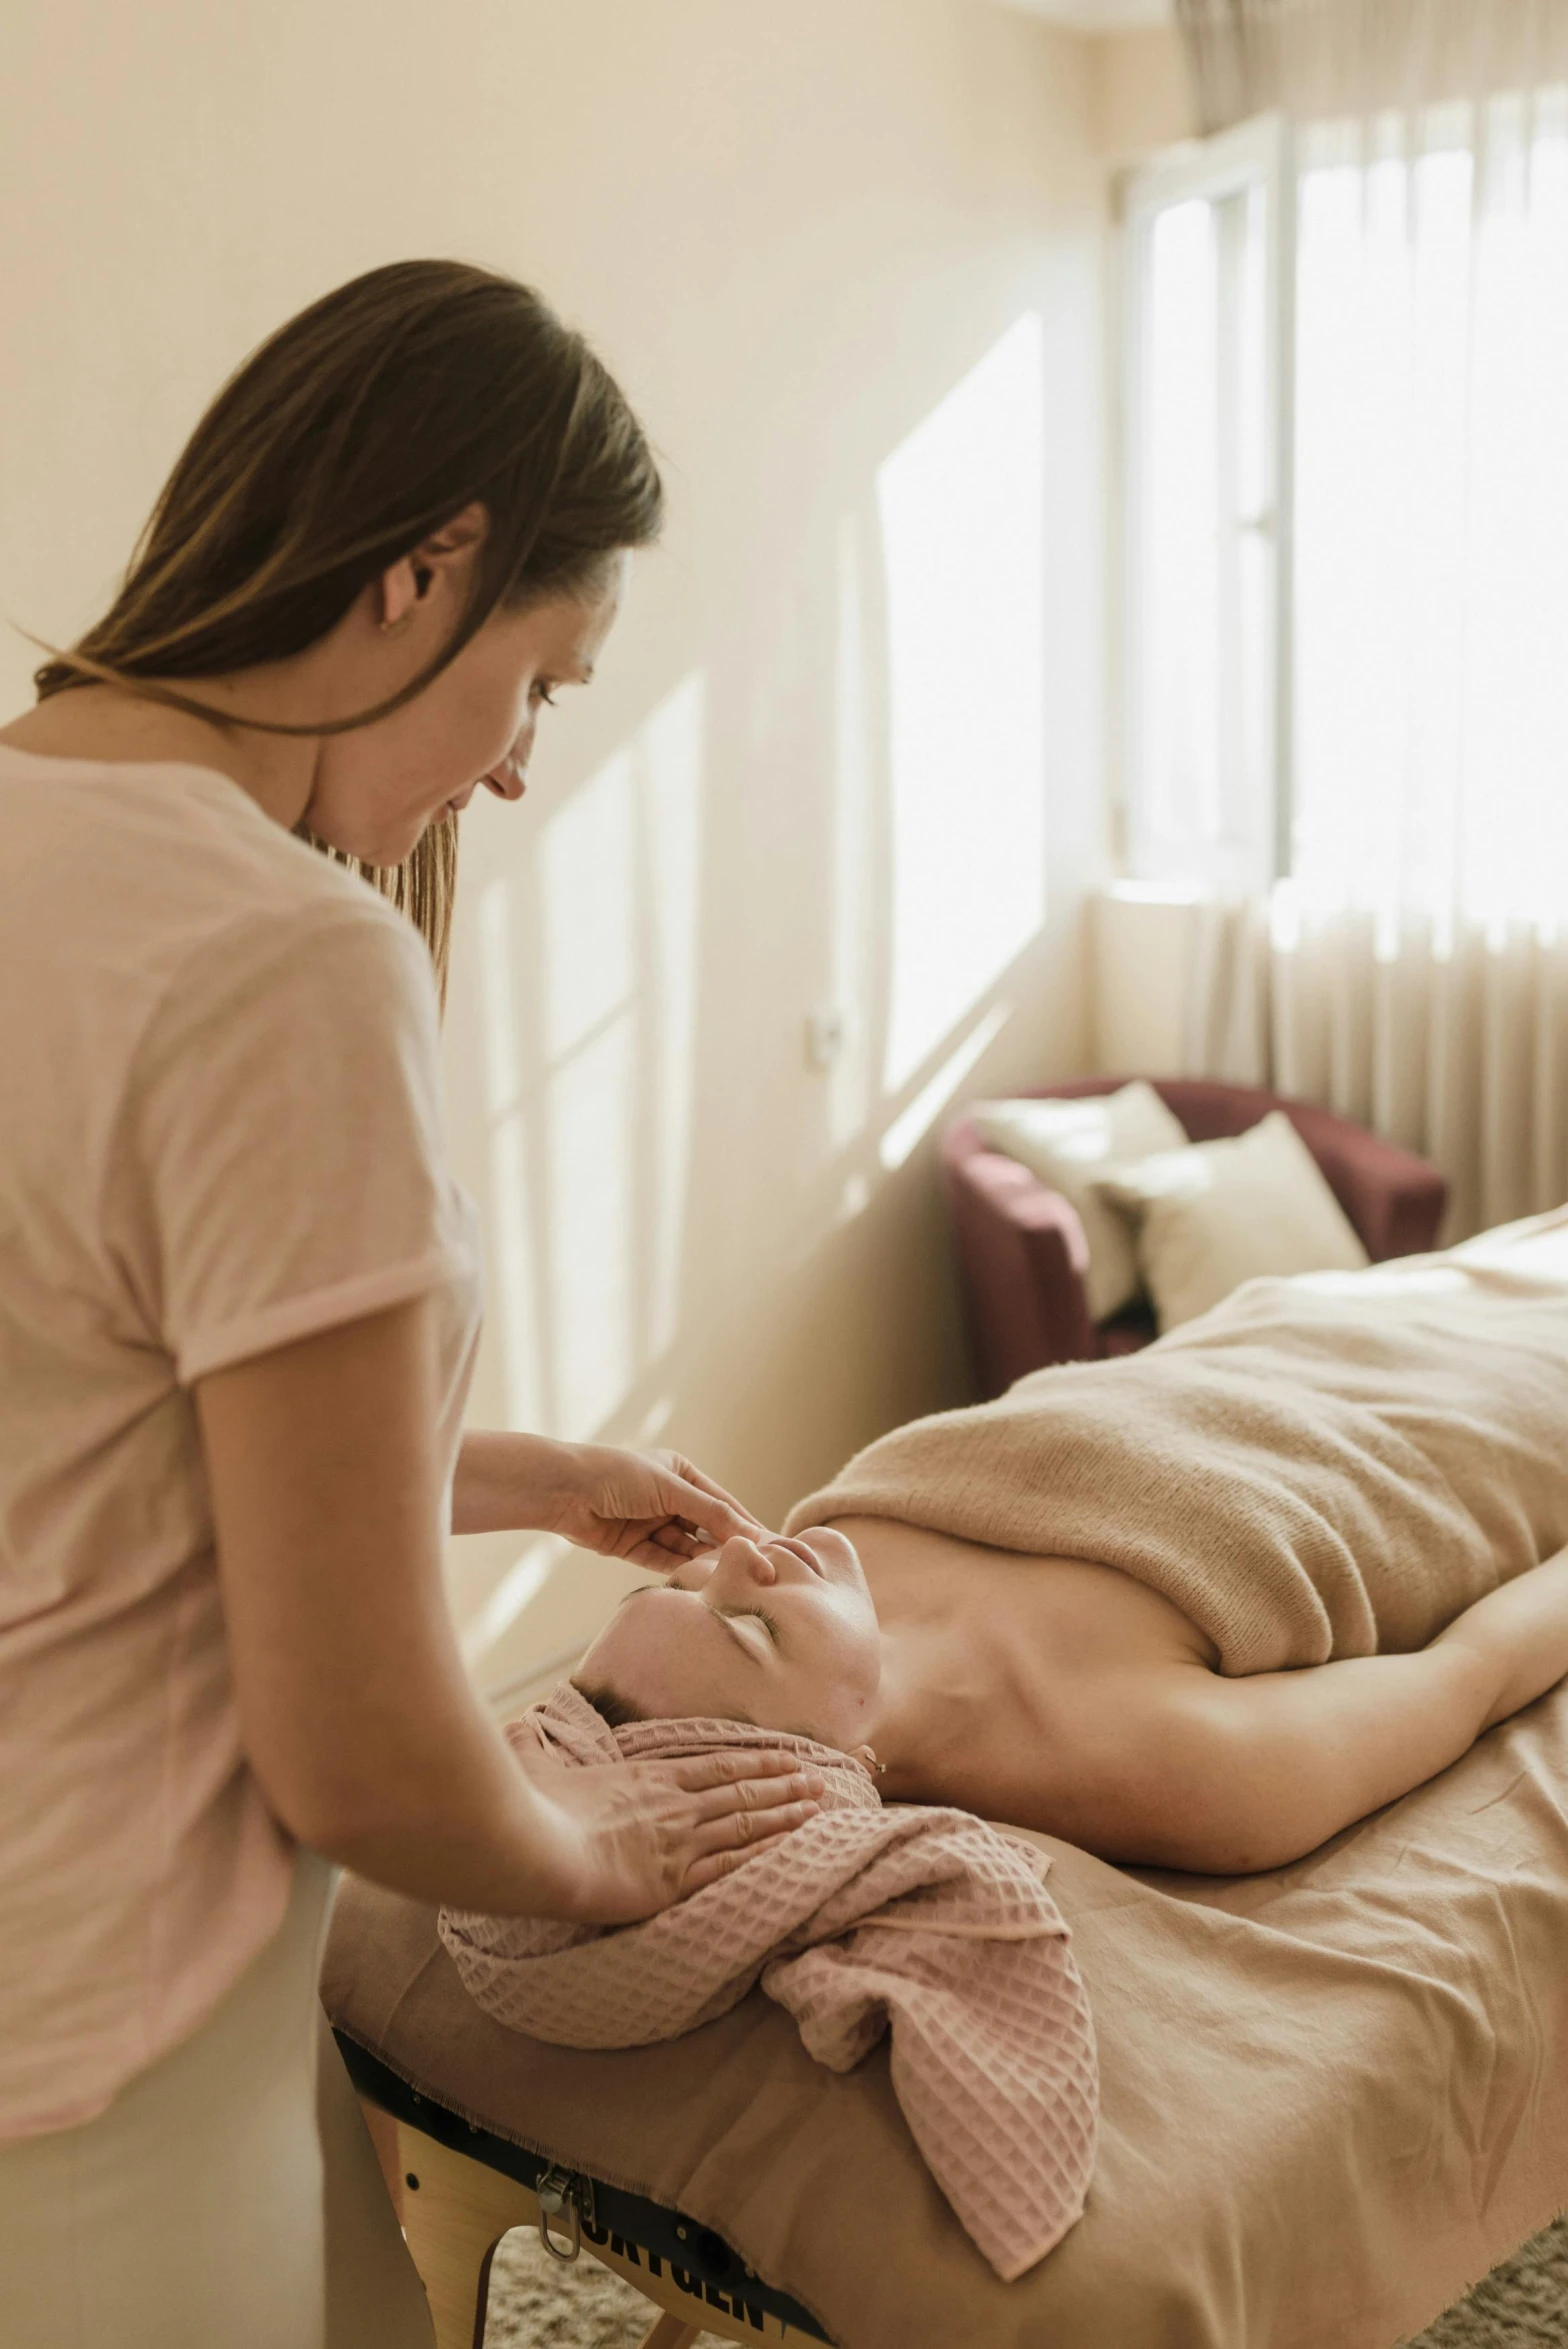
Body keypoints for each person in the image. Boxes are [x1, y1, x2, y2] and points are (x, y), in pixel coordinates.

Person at [0, 261, 822, 2349]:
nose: (528, 764)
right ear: (428, 565)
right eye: (544, 680)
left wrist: (529, 1477)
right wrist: (597, 1847)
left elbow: (85, 1423)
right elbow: (362, 1753)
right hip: (96, 2042)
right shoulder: (278, 955)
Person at [575, 1491, 1568, 1876]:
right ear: (834, 1766)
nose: (740, 1559)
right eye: (746, 1631)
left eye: (683, 1584)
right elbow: (1470, 1677)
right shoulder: (1161, 1764)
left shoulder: (837, 1563)